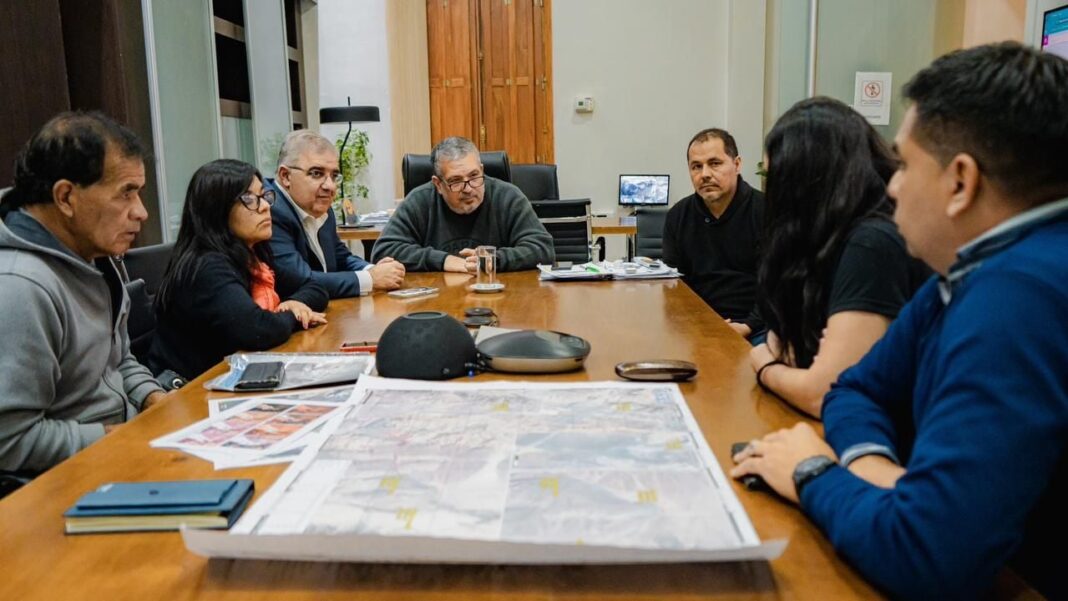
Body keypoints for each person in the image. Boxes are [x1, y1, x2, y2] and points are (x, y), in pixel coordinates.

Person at [731, 42, 1068, 599]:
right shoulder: (967, 272)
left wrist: (813, 472)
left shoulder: (1019, 295)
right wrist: (875, 469)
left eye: (906, 163)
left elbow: (926, 555)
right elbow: (855, 390)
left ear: (960, 182)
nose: (890, 184)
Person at [0, 112, 166, 472]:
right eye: (126, 194)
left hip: (116, 450)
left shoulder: (96, 258)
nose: (142, 212)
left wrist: (156, 401)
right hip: (59, 485)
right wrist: (120, 438)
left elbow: (118, 359)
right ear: (65, 197)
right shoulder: (20, 286)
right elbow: (9, 442)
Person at [749, 98, 929, 417]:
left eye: (776, 177)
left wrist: (762, 365)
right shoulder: (827, 237)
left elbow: (824, 394)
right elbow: (785, 343)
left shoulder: (871, 243)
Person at [147, 159, 329, 381]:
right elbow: (257, 330)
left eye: (264, 196)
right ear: (217, 208)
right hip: (190, 392)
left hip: (233, 376)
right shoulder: (206, 264)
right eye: (250, 200)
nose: (264, 206)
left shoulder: (253, 253)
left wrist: (294, 302)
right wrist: (291, 314)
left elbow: (314, 286)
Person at [372, 136, 554, 272]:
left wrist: (493, 260)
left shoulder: (507, 196)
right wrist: (443, 261)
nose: (468, 189)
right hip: (437, 303)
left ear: (482, 169)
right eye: (456, 181)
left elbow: (542, 249)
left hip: (499, 296)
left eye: (474, 176)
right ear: (438, 184)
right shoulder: (420, 200)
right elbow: (383, 251)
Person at [267, 130, 405, 298]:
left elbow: (341, 257)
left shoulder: (320, 207)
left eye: (334, 176)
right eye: (317, 173)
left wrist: (372, 269)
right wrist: (371, 278)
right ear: (286, 176)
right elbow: (297, 279)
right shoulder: (269, 211)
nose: (330, 186)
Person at [662, 128, 765, 335]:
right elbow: (674, 285)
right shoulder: (678, 216)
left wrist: (748, 326)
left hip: (757, 325)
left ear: (737, 165)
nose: (705, 174)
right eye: (696, 167)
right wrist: (697, 324)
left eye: (715, 163)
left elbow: (778, 285)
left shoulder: (767, 211)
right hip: (697, 325)